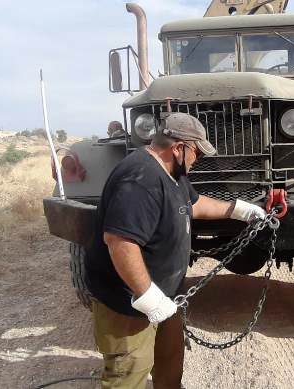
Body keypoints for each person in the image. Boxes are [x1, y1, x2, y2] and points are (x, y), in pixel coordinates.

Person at [85, 112, 266, 389]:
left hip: (165, 297)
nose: (199, 160)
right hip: (129, 304)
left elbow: (193, 205)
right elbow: (120, 243)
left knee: (169, 364)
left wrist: (239, 210)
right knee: (129, 372)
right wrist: (147, 295)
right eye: (197, 153)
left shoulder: (172, 172)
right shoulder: (139, 179)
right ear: (179, 148)